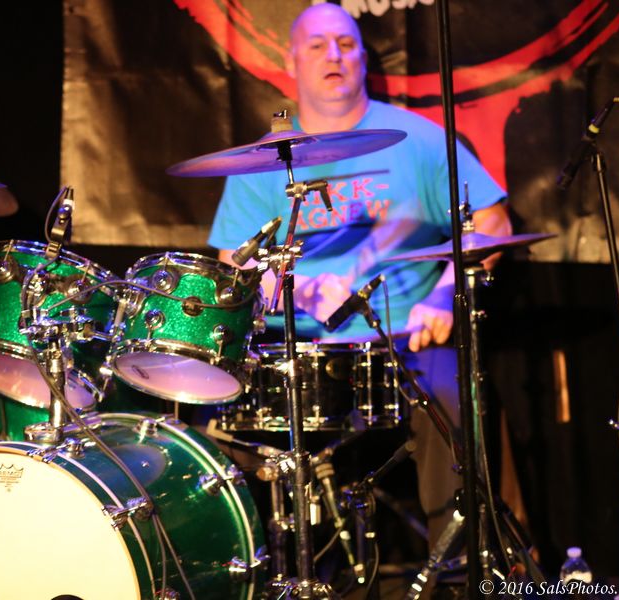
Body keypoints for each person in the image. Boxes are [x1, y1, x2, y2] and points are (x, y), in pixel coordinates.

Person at [208, 3, 513, 554]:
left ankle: (454, 569)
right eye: (318, 45)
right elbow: (235, 263)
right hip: (293, 346)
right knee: (217, 417)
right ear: (291, 62)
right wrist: (293, 288)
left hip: (404, 338)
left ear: (364, 59)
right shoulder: (264, 161)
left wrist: (443, 295)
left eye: (346, 44)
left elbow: (493, 224)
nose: (334, 55)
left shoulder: (418, 139)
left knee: (451, 395)